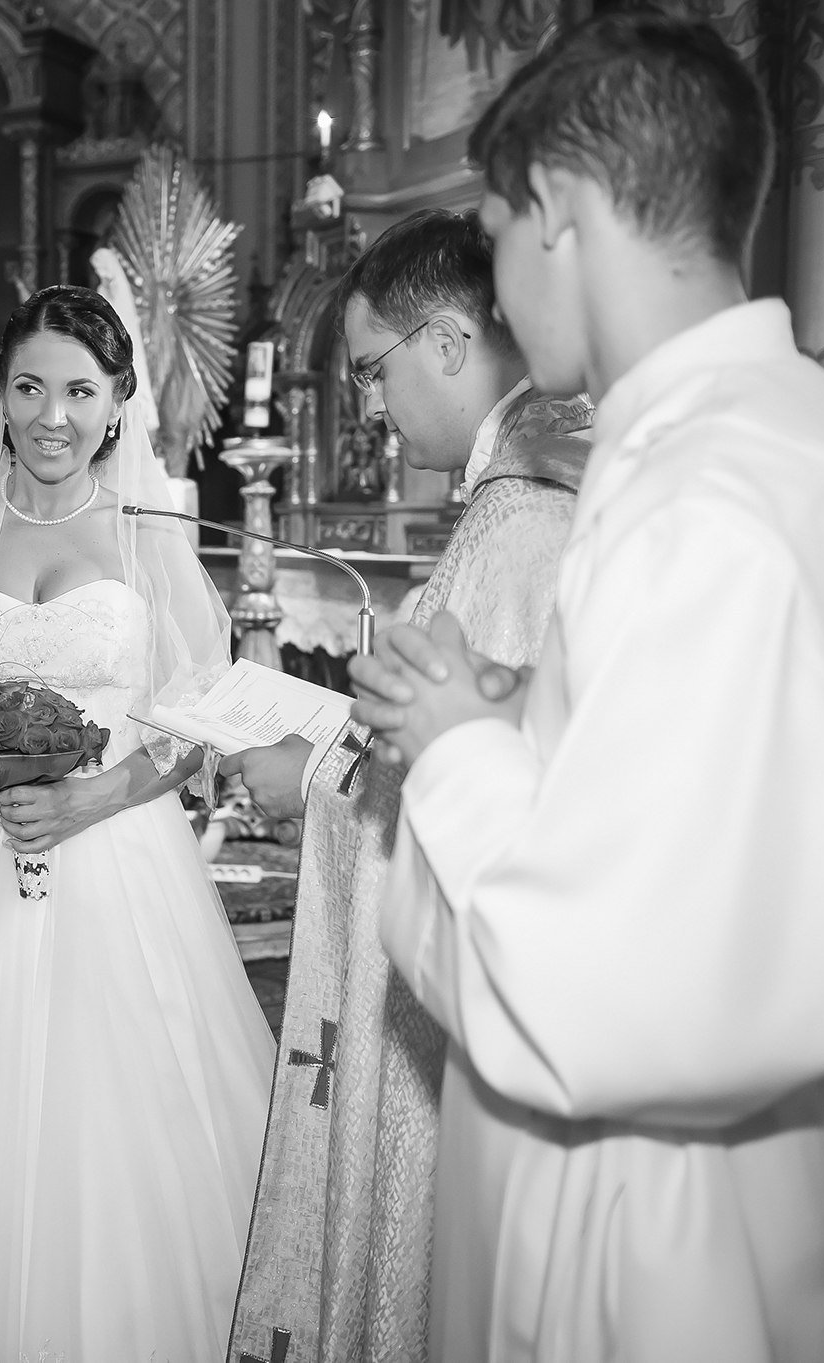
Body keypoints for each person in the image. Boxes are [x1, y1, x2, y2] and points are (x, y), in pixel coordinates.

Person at [346, 14, 824, 1362]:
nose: (500, 294)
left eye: (496, 229)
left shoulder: (704, 495)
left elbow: (608, 979)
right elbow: (712, 812)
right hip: (710, 1178)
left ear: (557, 209)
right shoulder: (793, 434)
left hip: (639, 1224)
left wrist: (453, 746)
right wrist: (522, 707)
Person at [0, 285, 275, 1360]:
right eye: (29, 387)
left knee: (114, 1119)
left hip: (116, 855)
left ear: (118, 401)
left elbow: (192, 722)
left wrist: (93, 796)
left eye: (79, 391)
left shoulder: (149, 536)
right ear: (0, 393)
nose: (51, 416)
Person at [226, 211, 592, 1363]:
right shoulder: (521, 494)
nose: (369, 406)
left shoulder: (520, 523)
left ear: (445, 341)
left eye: (371, 370)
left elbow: (476, 776)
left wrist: (305, 778)